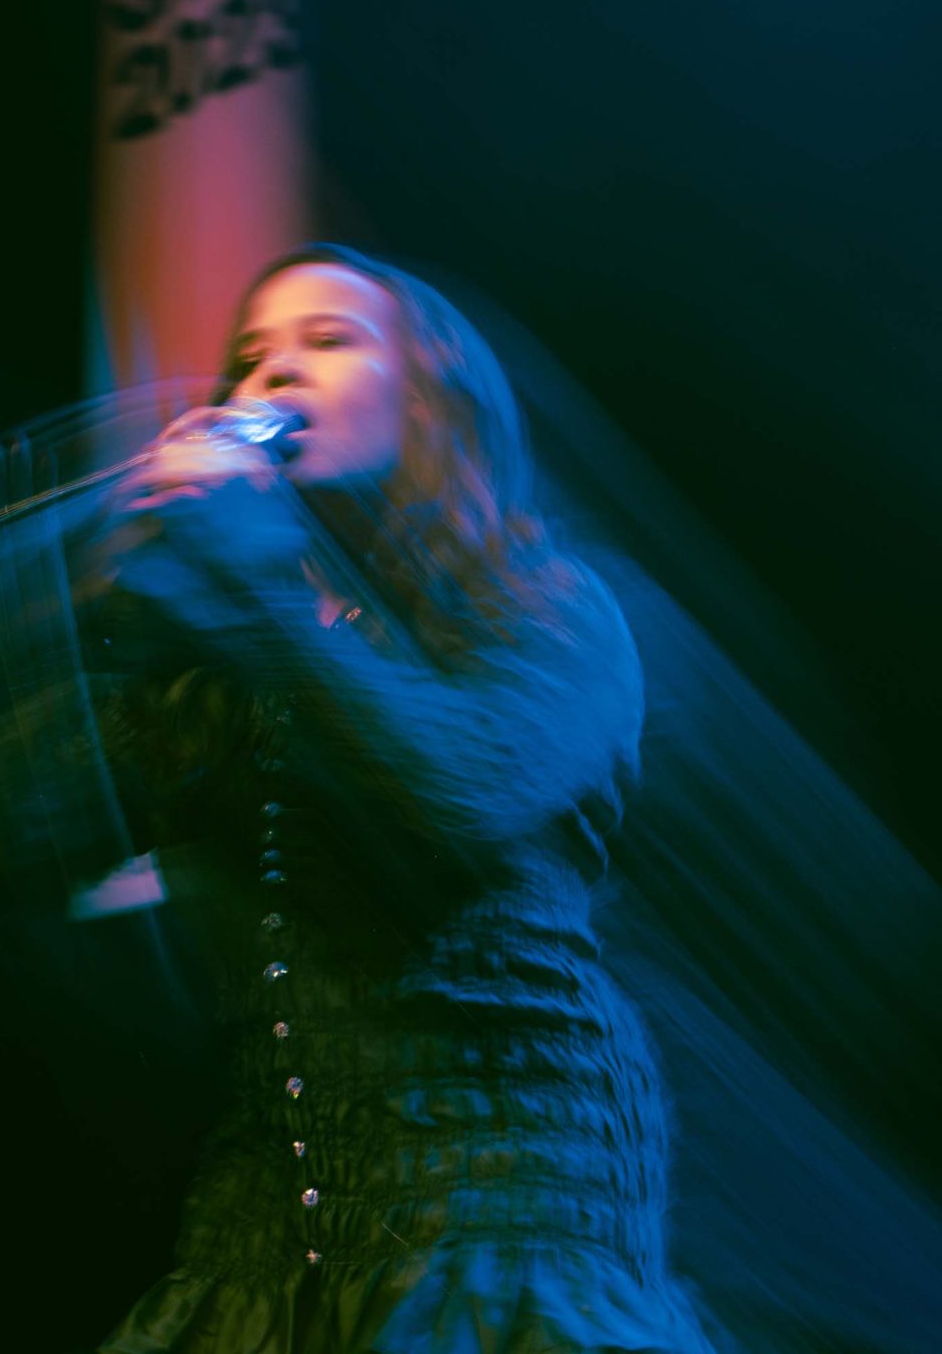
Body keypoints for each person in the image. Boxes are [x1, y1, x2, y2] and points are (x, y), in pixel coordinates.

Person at [64, 243, 716, 1354]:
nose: (271, 374)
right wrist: (106, 613)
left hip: (508, 1181)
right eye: (250, 357)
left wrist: (249, 572)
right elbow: (15, 837)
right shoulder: (237, 646)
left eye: (327, 340)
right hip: (265, 1211)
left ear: (428, 401)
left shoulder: (551, 609)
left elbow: (453, 797)